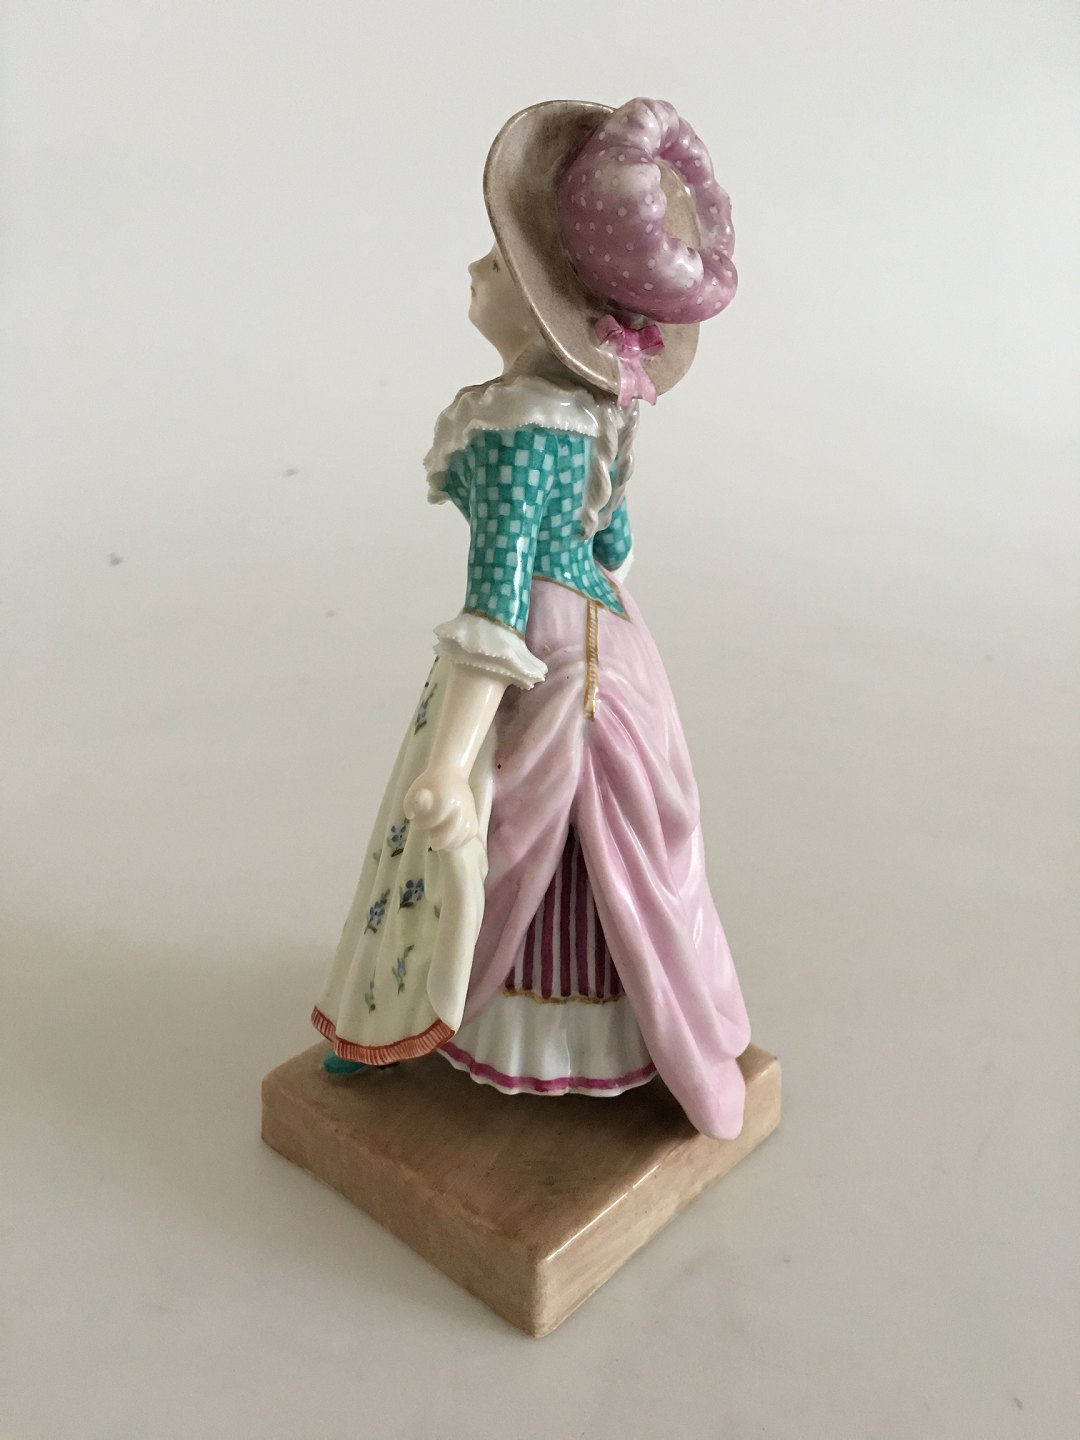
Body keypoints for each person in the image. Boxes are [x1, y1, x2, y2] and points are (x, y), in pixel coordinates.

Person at [312, 97, 751, 1139]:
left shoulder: (517, 426)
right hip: (616, 647)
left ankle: (469, 1021)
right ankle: (642, 1027)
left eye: (501, 262)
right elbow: (614, 547)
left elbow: (497, 606)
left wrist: (446, 760)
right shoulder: (591, 409)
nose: (479, 268)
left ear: (546, 307)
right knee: (618, 853)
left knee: (506, 838)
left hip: (545, 662)